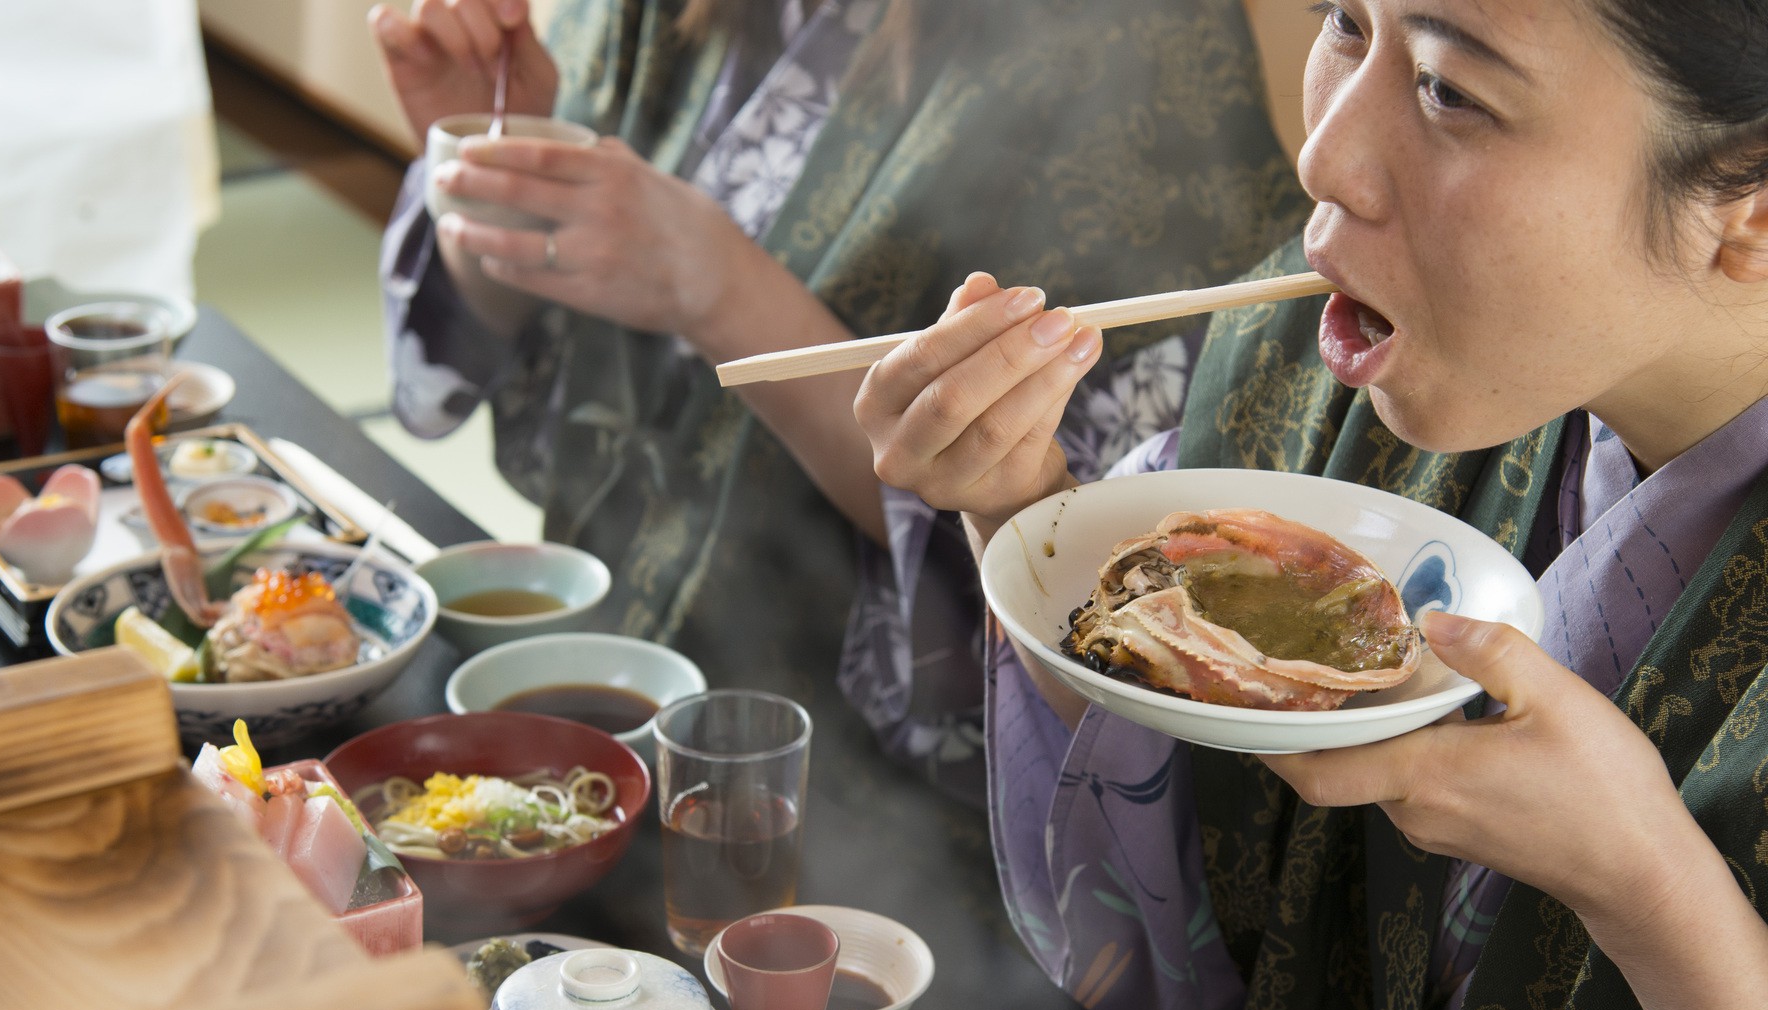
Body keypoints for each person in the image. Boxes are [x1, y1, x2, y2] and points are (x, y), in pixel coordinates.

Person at [852, 0, 1768, 1010]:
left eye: (1447, 88)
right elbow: (1193, 873)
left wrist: (1643, 882)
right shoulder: (1335, 357)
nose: (1323, 156)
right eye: (1342, 21)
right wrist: (1019, 506)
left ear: (1747, 208)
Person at [369, 0, 1308, 795]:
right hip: (593, 667)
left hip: (847, 794)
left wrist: (723, 291)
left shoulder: (1131, 44)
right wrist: (486, 179)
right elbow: (519, 338)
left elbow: (1107, 568)